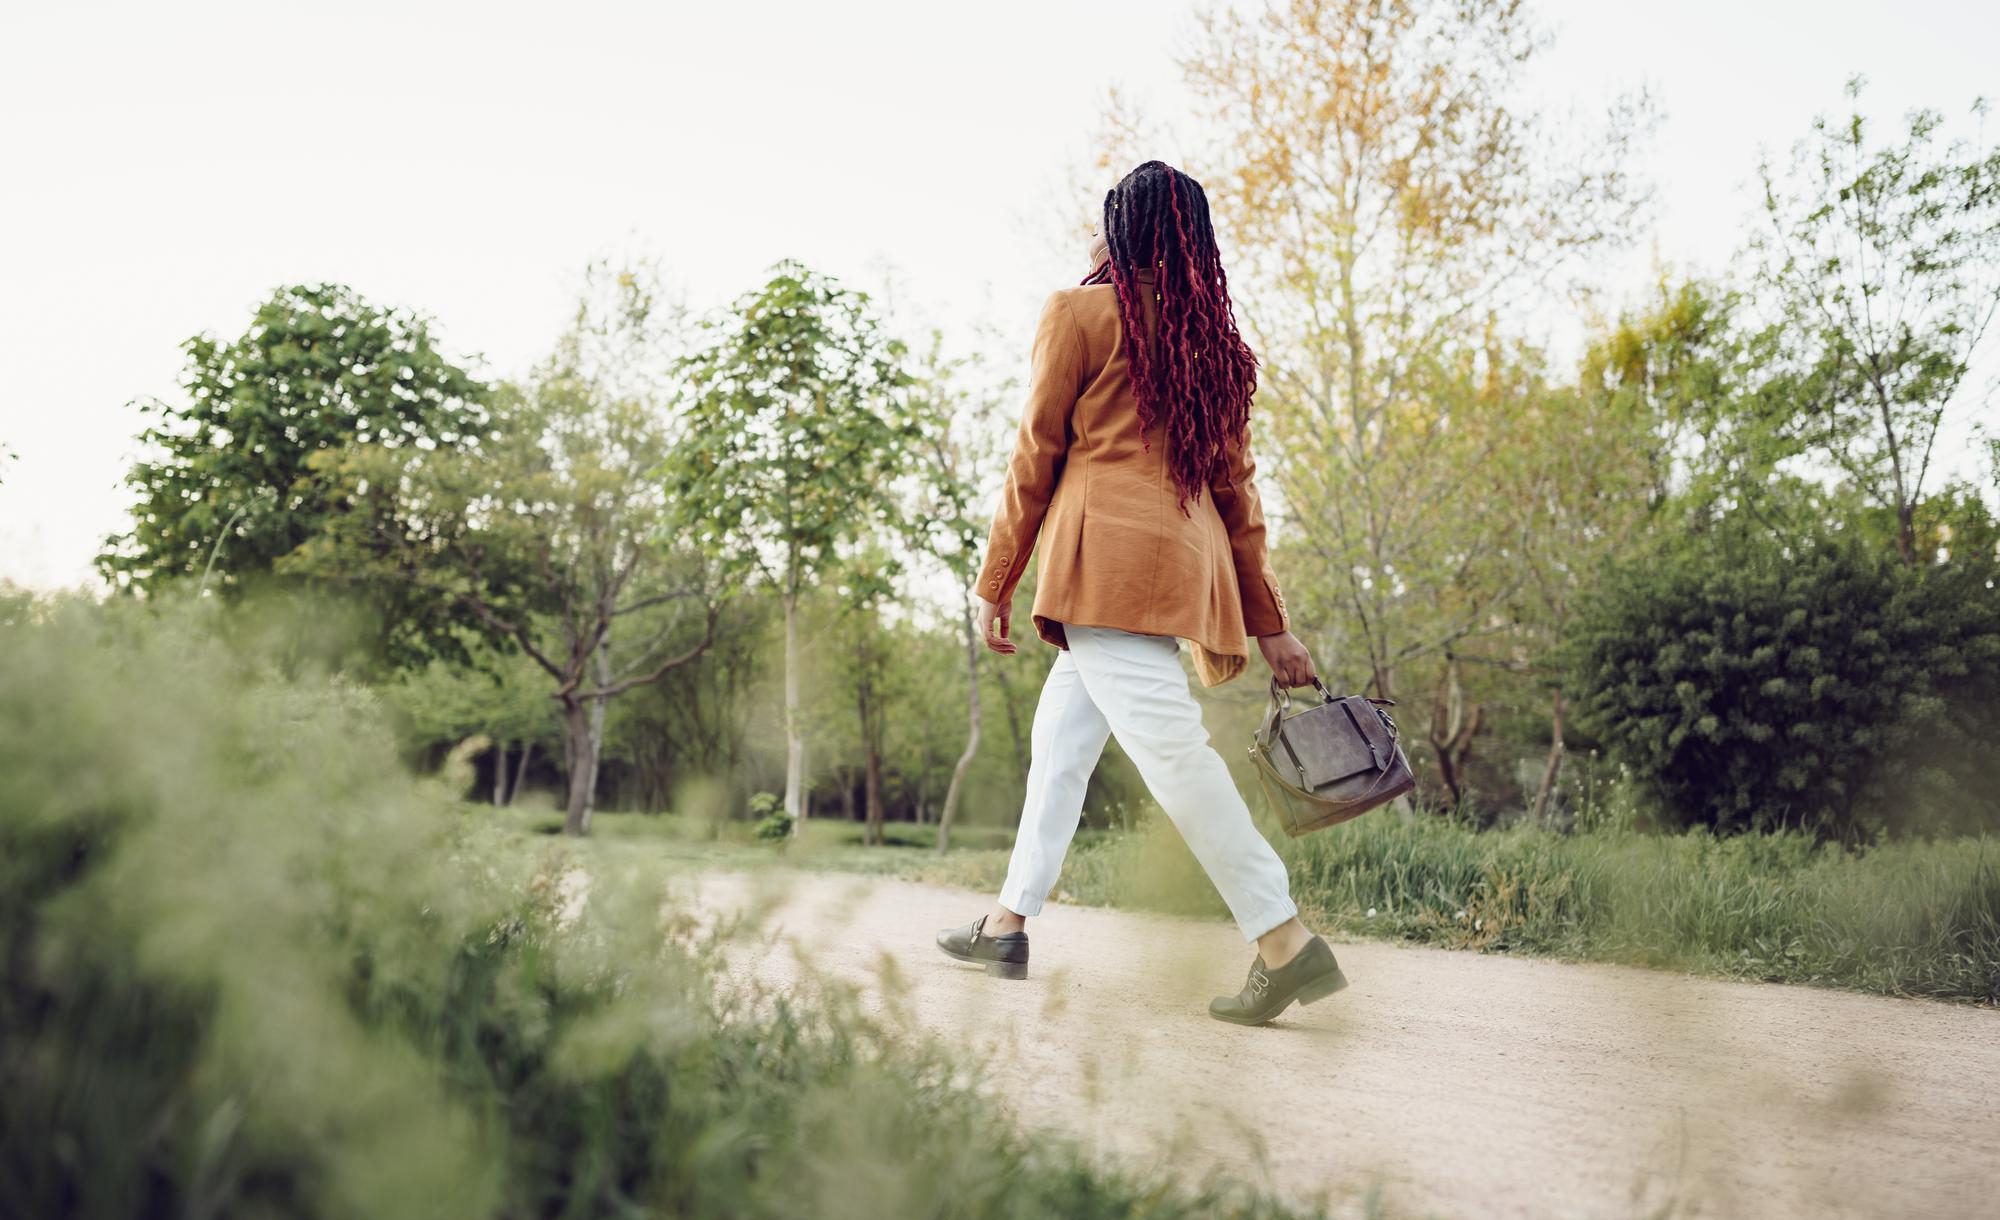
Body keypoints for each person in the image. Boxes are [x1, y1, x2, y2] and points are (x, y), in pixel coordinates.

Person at [935, 160, 1347, 1025]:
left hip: (1103, 574)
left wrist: (995, 580)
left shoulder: (1080, 314)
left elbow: (1034, 456)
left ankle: (1283, 940)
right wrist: (1270, 625)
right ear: (1194, 241)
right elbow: (1240, 502)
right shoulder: (1218, 350)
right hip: (1180, 577)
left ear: (1118, 229)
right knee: (1061, 747)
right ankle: (1008, 923)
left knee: (1177, 761)